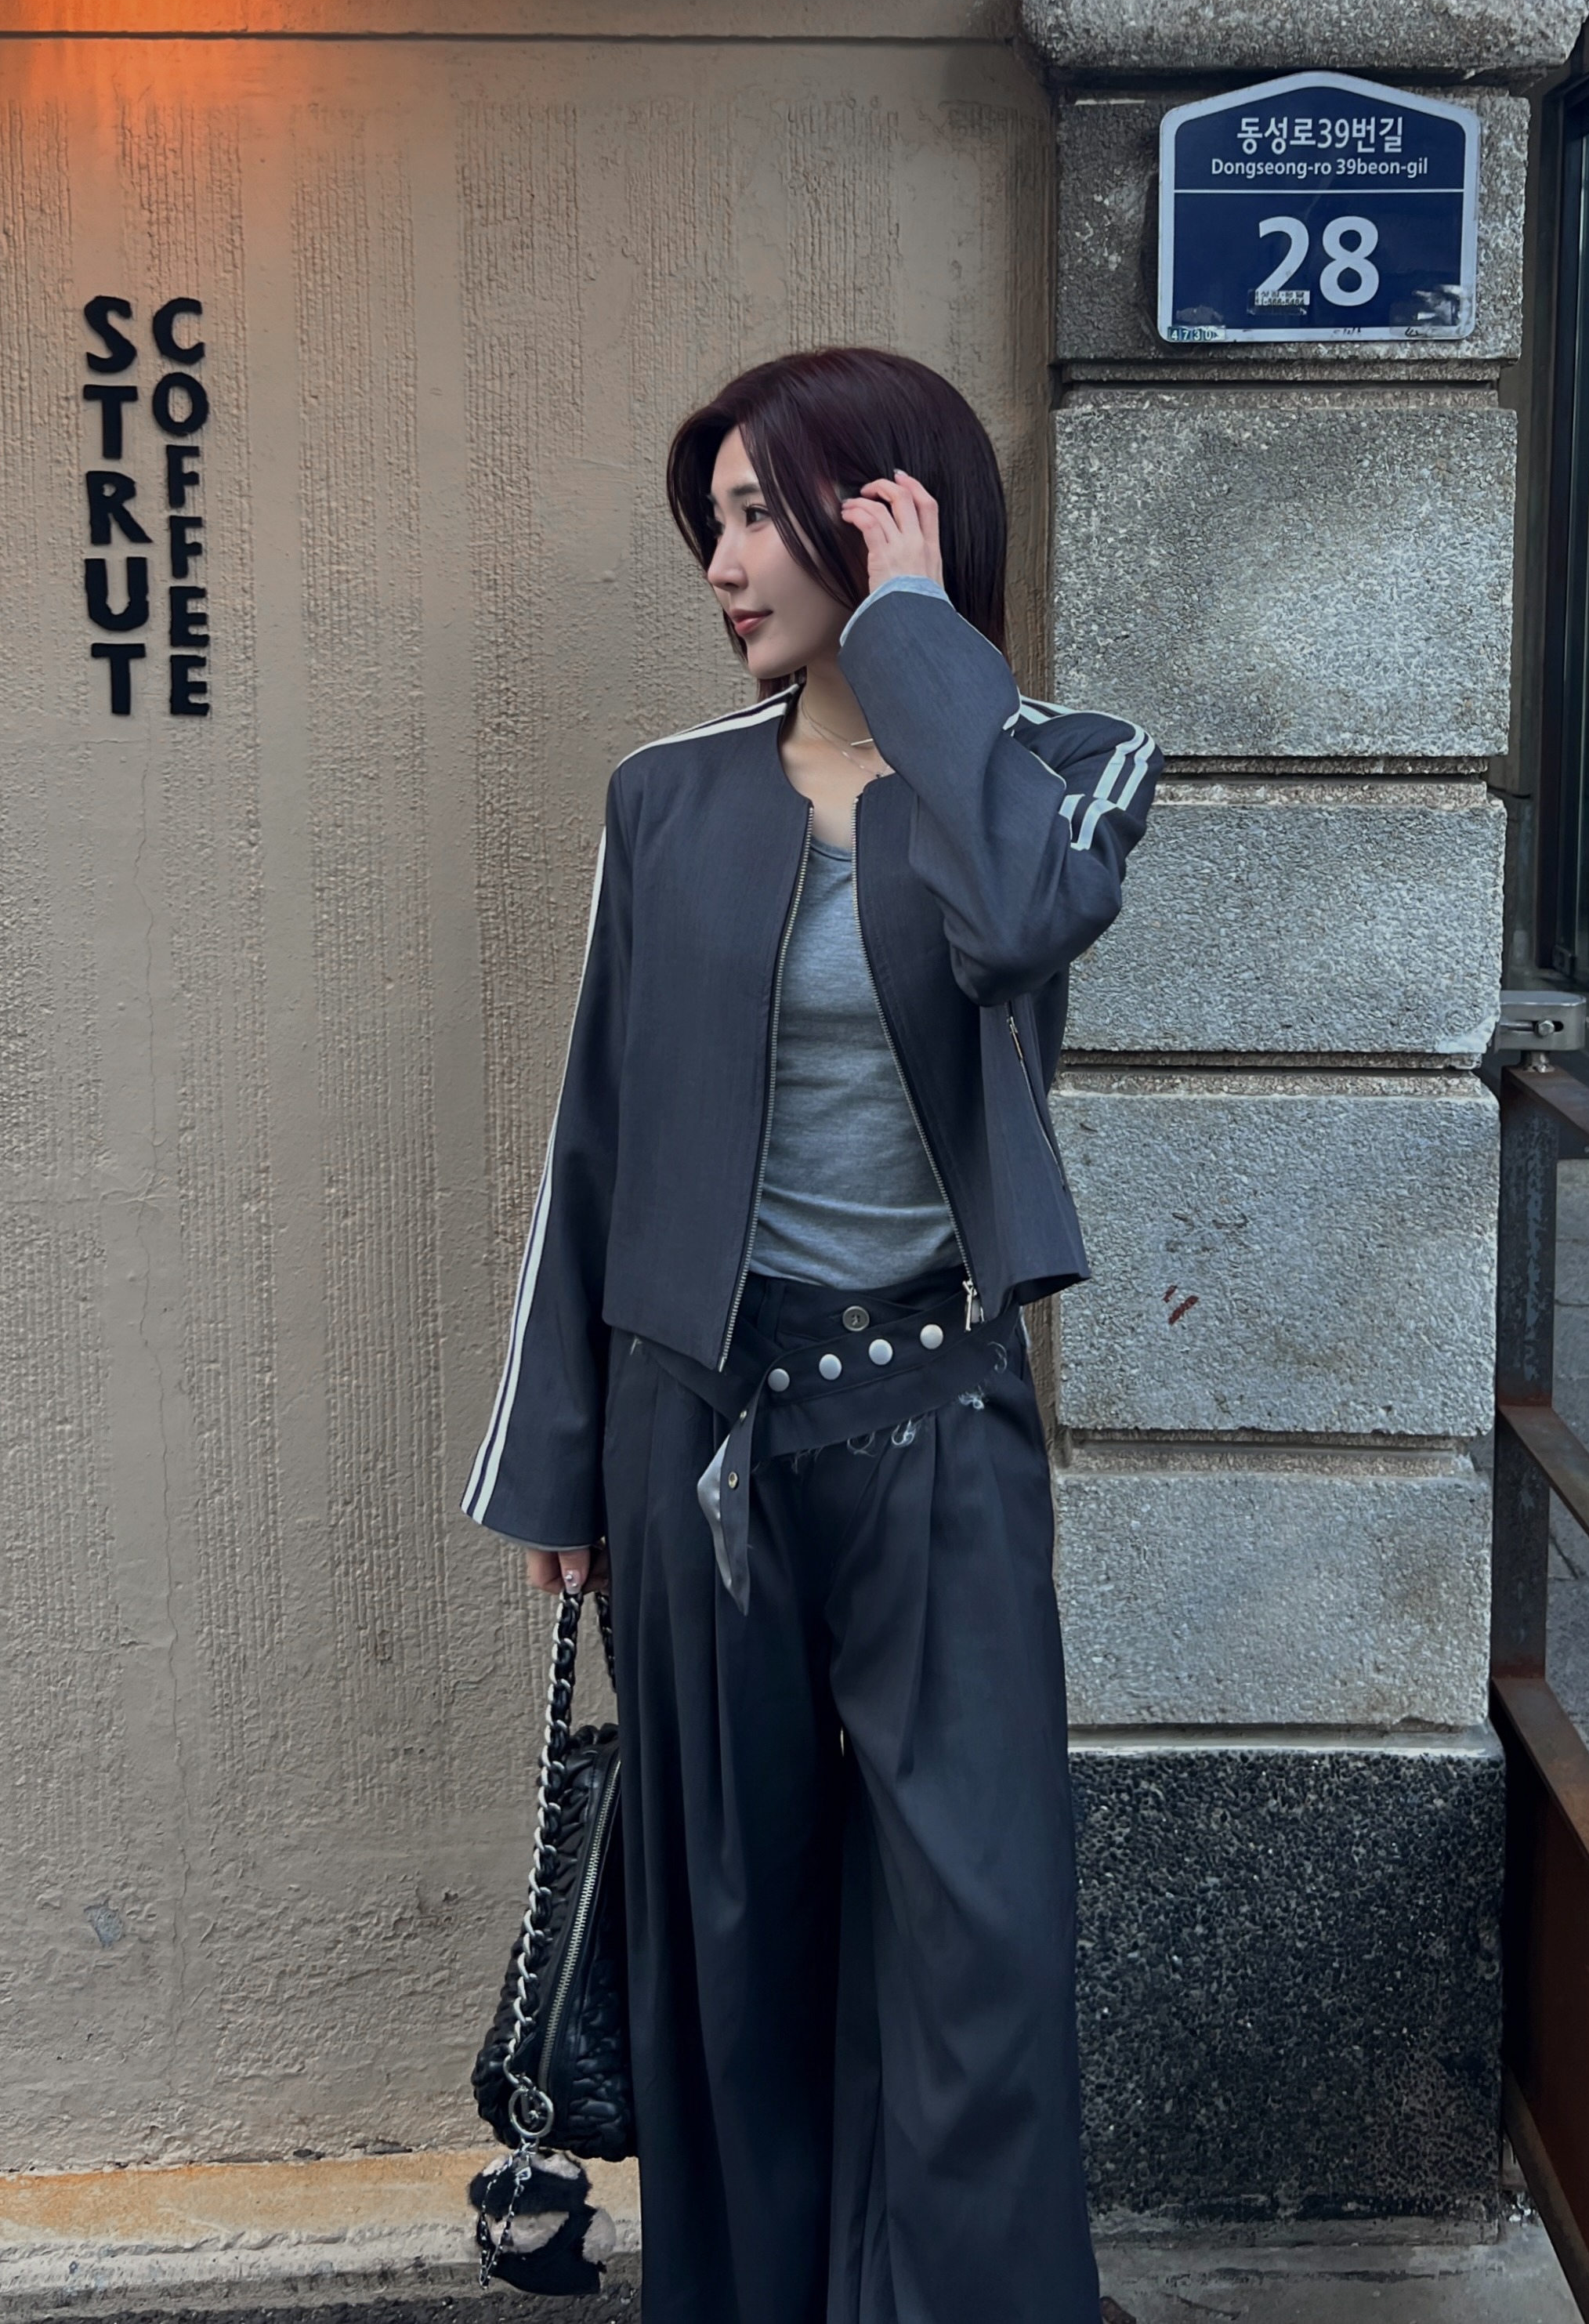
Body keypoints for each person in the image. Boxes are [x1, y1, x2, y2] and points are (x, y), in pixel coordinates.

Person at [461, 346, 1157, 2324]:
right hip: (699, 1439)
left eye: (763, 513)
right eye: (714, 521)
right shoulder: (667, 798)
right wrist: (558, 1461)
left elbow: (1017, 919)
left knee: (980, 1945)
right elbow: (594, 1138)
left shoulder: (1062, 770)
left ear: (882, 512)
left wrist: (918, 638)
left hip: (936, 1430)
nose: (721, 563)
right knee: (734, 1942)